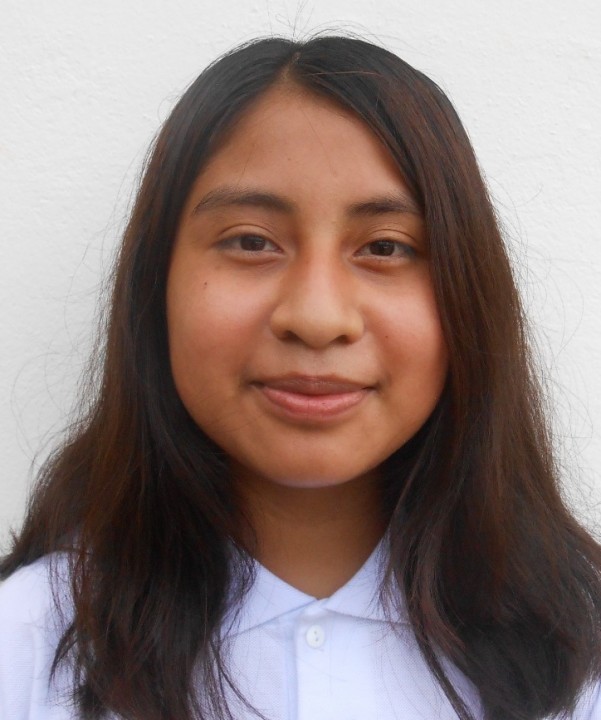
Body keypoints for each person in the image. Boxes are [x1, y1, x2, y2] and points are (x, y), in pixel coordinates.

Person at [1, 34, 600, 720]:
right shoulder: (24, 649)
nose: (317, 318)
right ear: (154, 288)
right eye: (251, 241)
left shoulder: (580, 654)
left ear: (469, 294)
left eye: (385, 247)